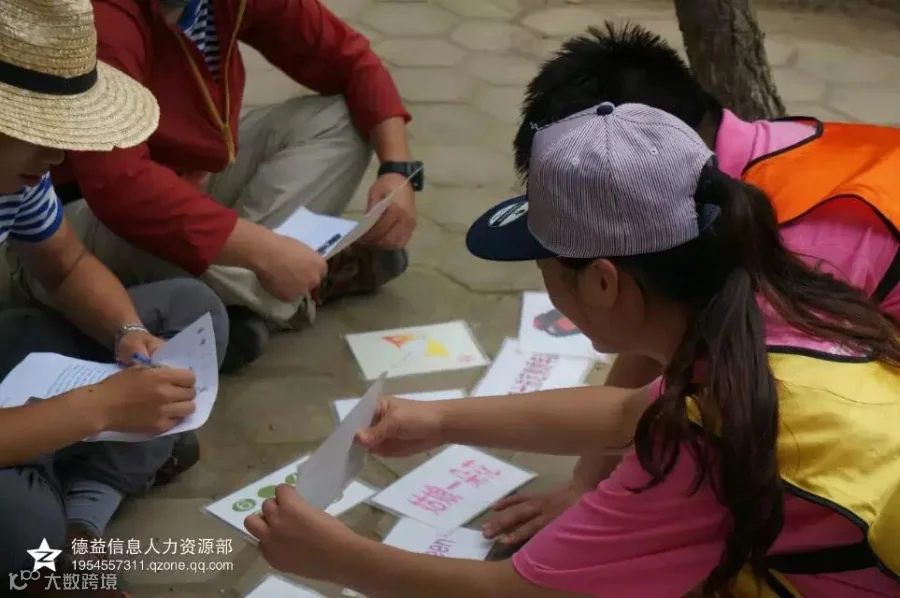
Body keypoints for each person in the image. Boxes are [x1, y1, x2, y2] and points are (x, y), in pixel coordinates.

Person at [243, 104, 900, 597]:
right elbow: (627, 415)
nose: (549, 290)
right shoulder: (772, 302)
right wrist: (440, 419)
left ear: (603, 282)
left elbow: (521, 593)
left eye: (546, 270)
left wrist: (338, 557)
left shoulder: (702, 443)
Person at [482, 22, 900, 548]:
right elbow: (653, 329)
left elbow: (669, 395)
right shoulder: (749, 161)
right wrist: (586, 482)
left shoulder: (793, 247)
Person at [7, 0, 423, 372]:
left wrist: (397, 167)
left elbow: (349, 57)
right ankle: (293, 286)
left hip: (175, 185)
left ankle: (270, 286)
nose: (55, 155)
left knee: (338, 119)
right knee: (186, 297)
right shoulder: (98, 18)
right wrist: (262, 250)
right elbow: (120, 189)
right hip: (84, 213)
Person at [0, 0, 229, 593]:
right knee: (20, 528)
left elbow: (67, 268)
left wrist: (127, 334)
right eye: (41, 132)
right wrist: (98, 408)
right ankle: (73, 482)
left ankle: (81, 518)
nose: (57, 157)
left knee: (190, 315)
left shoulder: (18, 178)